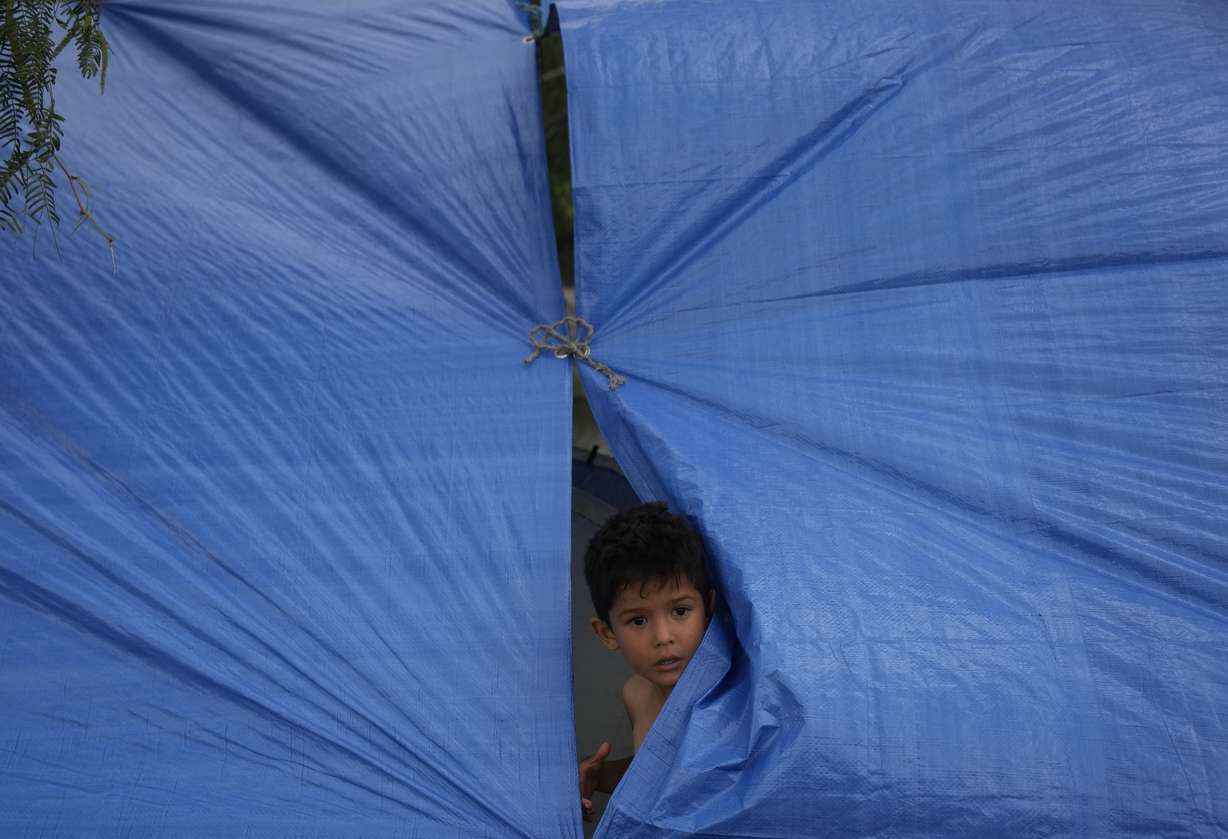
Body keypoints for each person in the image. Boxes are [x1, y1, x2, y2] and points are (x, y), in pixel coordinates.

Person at [576, 501, 716, 823]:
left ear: (708, 609)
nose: (663, 636)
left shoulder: (726, 699)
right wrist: (601, 777)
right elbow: (655, 771)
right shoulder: (637, 695)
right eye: (638, 621)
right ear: (607, 633)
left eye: (680, 611)